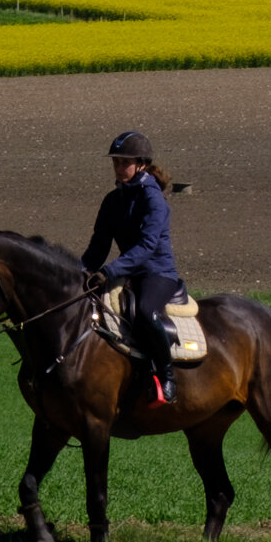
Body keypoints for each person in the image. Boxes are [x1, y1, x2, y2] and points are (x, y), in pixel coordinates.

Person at [81, 130, 185, 405]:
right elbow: (97, 247)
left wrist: (110, 272)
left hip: (157, 273)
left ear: (141, 163)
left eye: (124, 162)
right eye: (115, 162)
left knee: (145, 314)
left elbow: (146, 247)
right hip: (128, 272)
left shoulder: (154, 201)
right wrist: (81, 273)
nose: (118, 168)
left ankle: (167, 375)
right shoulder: (112, 201)